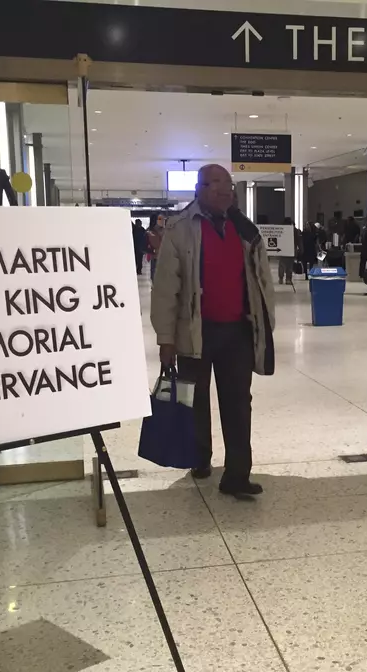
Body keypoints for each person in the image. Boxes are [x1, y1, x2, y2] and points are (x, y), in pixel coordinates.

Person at [151, 164, 276, 497]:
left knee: (238, 402)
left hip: (237, 332)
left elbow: (262, 281)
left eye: (228, 187)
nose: (223, 192)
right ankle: (200, 457)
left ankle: (237, 474)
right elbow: (165, 288)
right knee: (197, 401)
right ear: (199, 188)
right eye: (215, 186)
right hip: (195, 331)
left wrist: (266, 325)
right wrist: (165, 339)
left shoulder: (245, 230)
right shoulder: (180, 229)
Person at [278, 216, 302, 286]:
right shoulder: (295, 230)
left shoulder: (281, 229)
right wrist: (300, 250)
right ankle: (288, 279)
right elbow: (299, 241)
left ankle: (281, 278)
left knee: (282, 264)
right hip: (292, 249)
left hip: (282, 249)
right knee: (290, 265)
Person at [147, 214, 164, 281]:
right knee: (154, 277)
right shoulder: (149, 232)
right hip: (155, 258)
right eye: (160, 219)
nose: (162, 221)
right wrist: (152, 251)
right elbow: (143, 246)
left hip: (166, 258)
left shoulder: (166, 231)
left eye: (163, 219)